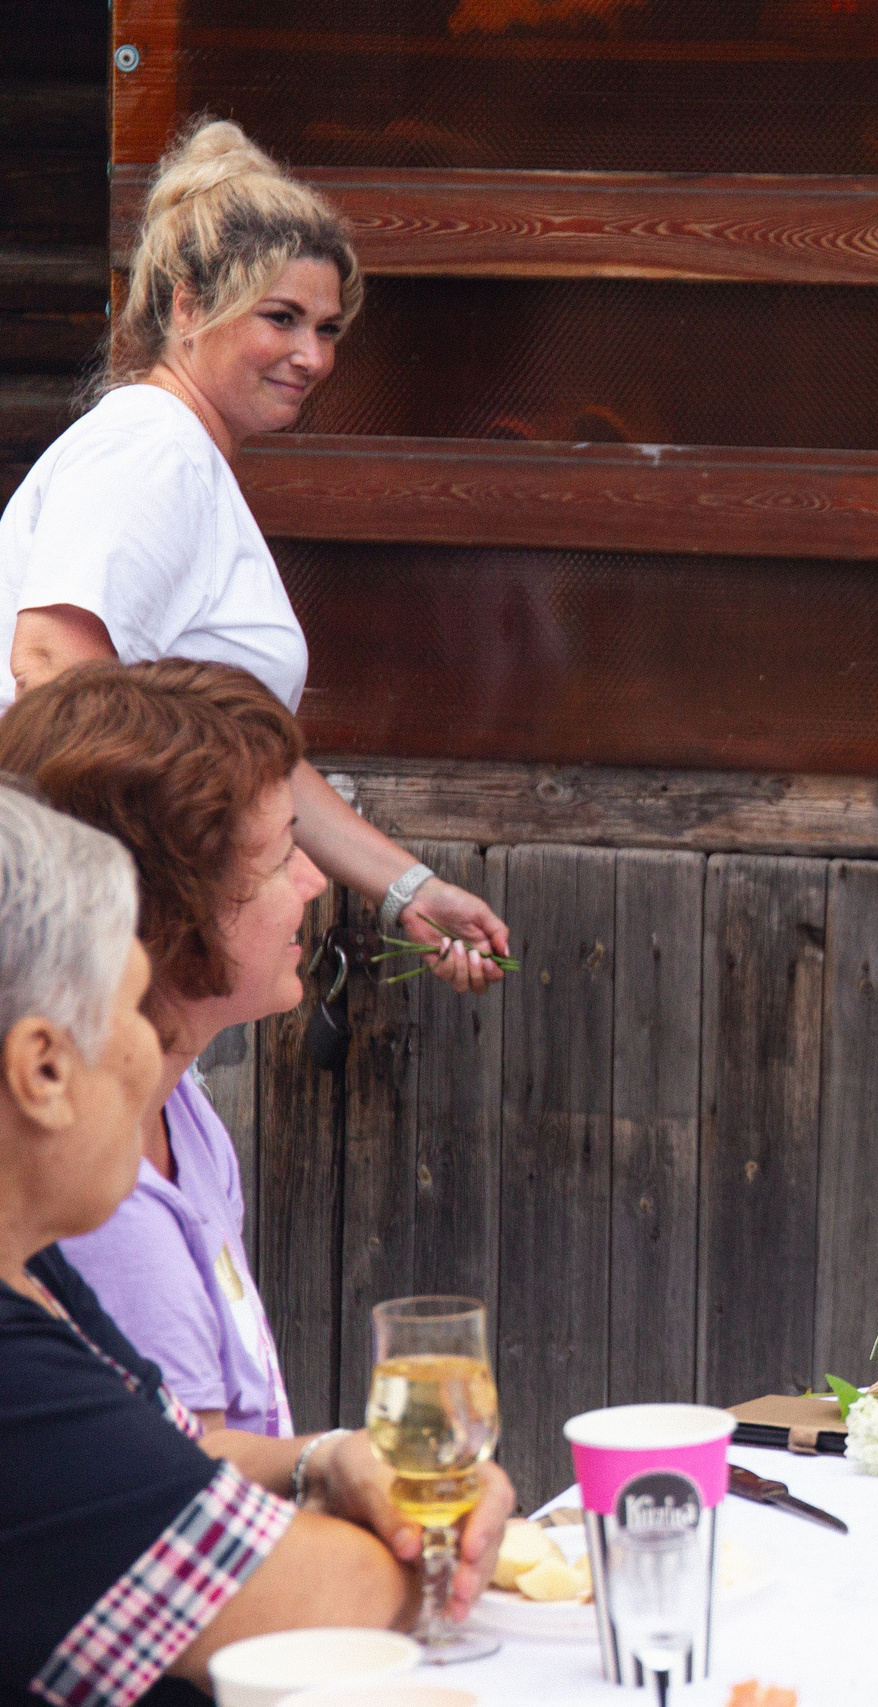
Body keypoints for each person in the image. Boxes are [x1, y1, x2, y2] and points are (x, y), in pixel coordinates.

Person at [0, 787, 511, 1706]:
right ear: (40, 1068)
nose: (156, 1054)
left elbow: (171, 1451)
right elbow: (300, 1596)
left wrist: (330, 1459)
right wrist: (436, 1533)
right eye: (132, 1013)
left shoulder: (35, 1273)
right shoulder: (13, 1378)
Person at [0, 117, 505, 995]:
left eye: (329, 327)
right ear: (189, 303)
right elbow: (50, 661)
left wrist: (408, 890)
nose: (313, 356)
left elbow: (244, 754)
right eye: (282, 318)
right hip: (72, 934)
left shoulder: (184, 457)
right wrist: (154, 896)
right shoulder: (152, 446)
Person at [0, 661, 322, 1435]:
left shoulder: (183, 1111)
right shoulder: (101, 1208)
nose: (312, 880)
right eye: (280, 857)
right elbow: (194, 1492)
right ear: (173, 911)